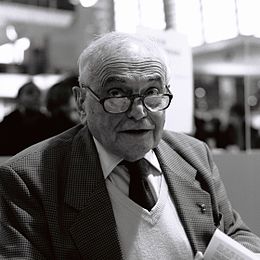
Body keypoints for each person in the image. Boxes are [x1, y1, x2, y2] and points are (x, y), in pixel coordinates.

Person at [0, 32, 260, 260]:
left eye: (152, 92)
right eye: (117, 94)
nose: (138, 112)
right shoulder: (28, 180)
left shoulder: (193, 155)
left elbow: (235, 231)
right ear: (81, 103)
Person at [0, 81, 48, 155]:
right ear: (19, 98)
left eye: (38, 93)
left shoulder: (47, 121)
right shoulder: (9, 121)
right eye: (30, 92)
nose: (36, 96)